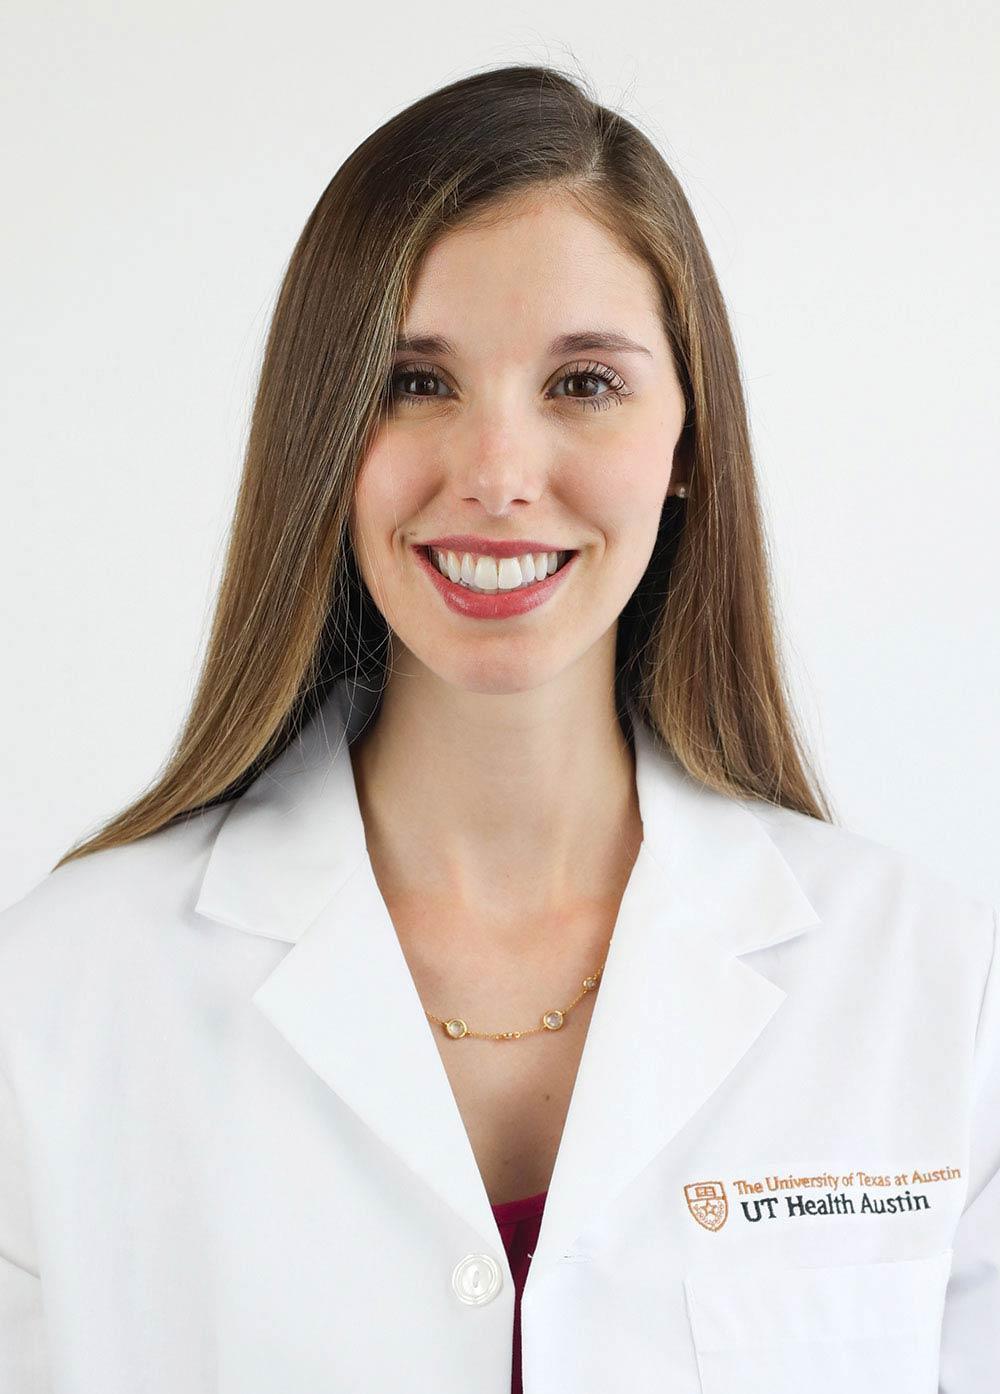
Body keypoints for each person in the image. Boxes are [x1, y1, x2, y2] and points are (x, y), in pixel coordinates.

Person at [0, 62, 996, 1394]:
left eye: (583, 383)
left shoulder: (925, 985)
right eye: (416, 381)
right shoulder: (65, 999)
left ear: (689, 437)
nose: (498, 475)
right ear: (326, 431)